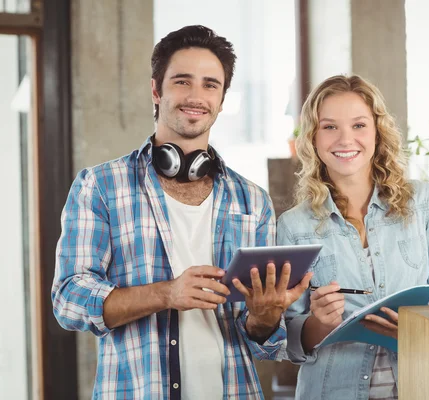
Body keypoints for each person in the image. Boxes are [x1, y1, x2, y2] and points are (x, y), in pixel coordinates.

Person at [51, 25, 311, 400]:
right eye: (182, 81)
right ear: (156, 90)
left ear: (222, 99)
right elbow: (69, 300)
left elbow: (264, 343)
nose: (196, 96)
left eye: (210, 84)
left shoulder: (252, 201)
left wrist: (266, 315)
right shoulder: (101, 186)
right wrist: (166, 294)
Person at [278, 75, 429, 399]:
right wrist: (318, 324)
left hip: (422, 386)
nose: (344, 139)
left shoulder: (423, 203)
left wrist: (417, 331)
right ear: (312, 137)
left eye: (358, 125)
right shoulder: (293, 226)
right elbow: (285, 336)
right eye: (329, 127)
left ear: (377, 132)